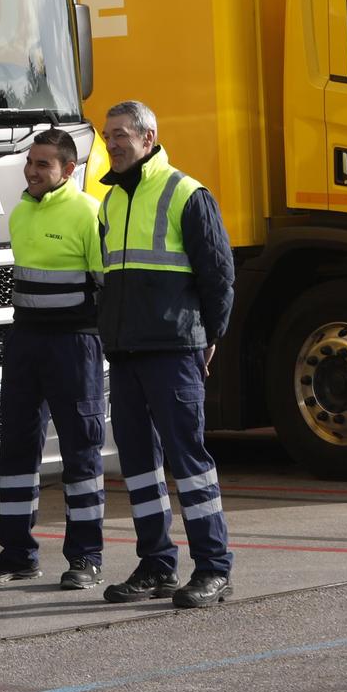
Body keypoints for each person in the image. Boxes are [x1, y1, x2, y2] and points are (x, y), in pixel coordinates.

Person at [95, 99, 236, 609]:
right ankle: (156, 564)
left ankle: (214, 568)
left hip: (175, 349)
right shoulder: (109, 201)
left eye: (121, 134)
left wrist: (210, 336)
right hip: (127, 352)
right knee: (139, 465)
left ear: (148, 138)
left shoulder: (186, 193)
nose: (111, 143)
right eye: (107, 135)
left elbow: (218, 273)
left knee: (188, 461)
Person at [0, 127, 108, 589]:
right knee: (16, 450)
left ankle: (85, 557)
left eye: (43, 164)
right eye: (30, 162)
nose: (32, 170)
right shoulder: (20, 213)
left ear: (68, 170)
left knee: (81, 451)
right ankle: (16, 554)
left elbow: (106, 288)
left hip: (75, 346)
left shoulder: (89, 213)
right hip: (25, 342)